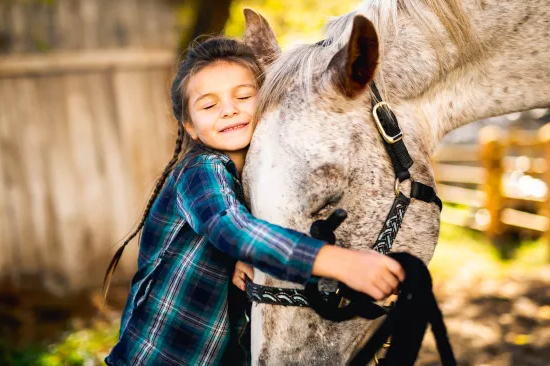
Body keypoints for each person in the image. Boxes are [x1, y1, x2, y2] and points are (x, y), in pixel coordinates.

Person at [103, 36, 405, 366]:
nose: (229, 109)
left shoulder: (258, 178)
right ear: (190, 126)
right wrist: (344, 264)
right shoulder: (200, 171)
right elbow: (232, 229)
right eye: (208, 105)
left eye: (244, 96)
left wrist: (240, 265)